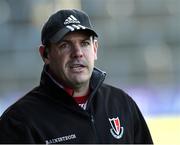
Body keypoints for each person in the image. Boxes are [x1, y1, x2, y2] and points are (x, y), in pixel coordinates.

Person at [0, 9, 153, 144]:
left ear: (95, 49)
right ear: (45, 54)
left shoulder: (122, 104)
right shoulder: (19, 122)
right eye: (65, 45)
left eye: (85, 43)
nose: (77, 53)